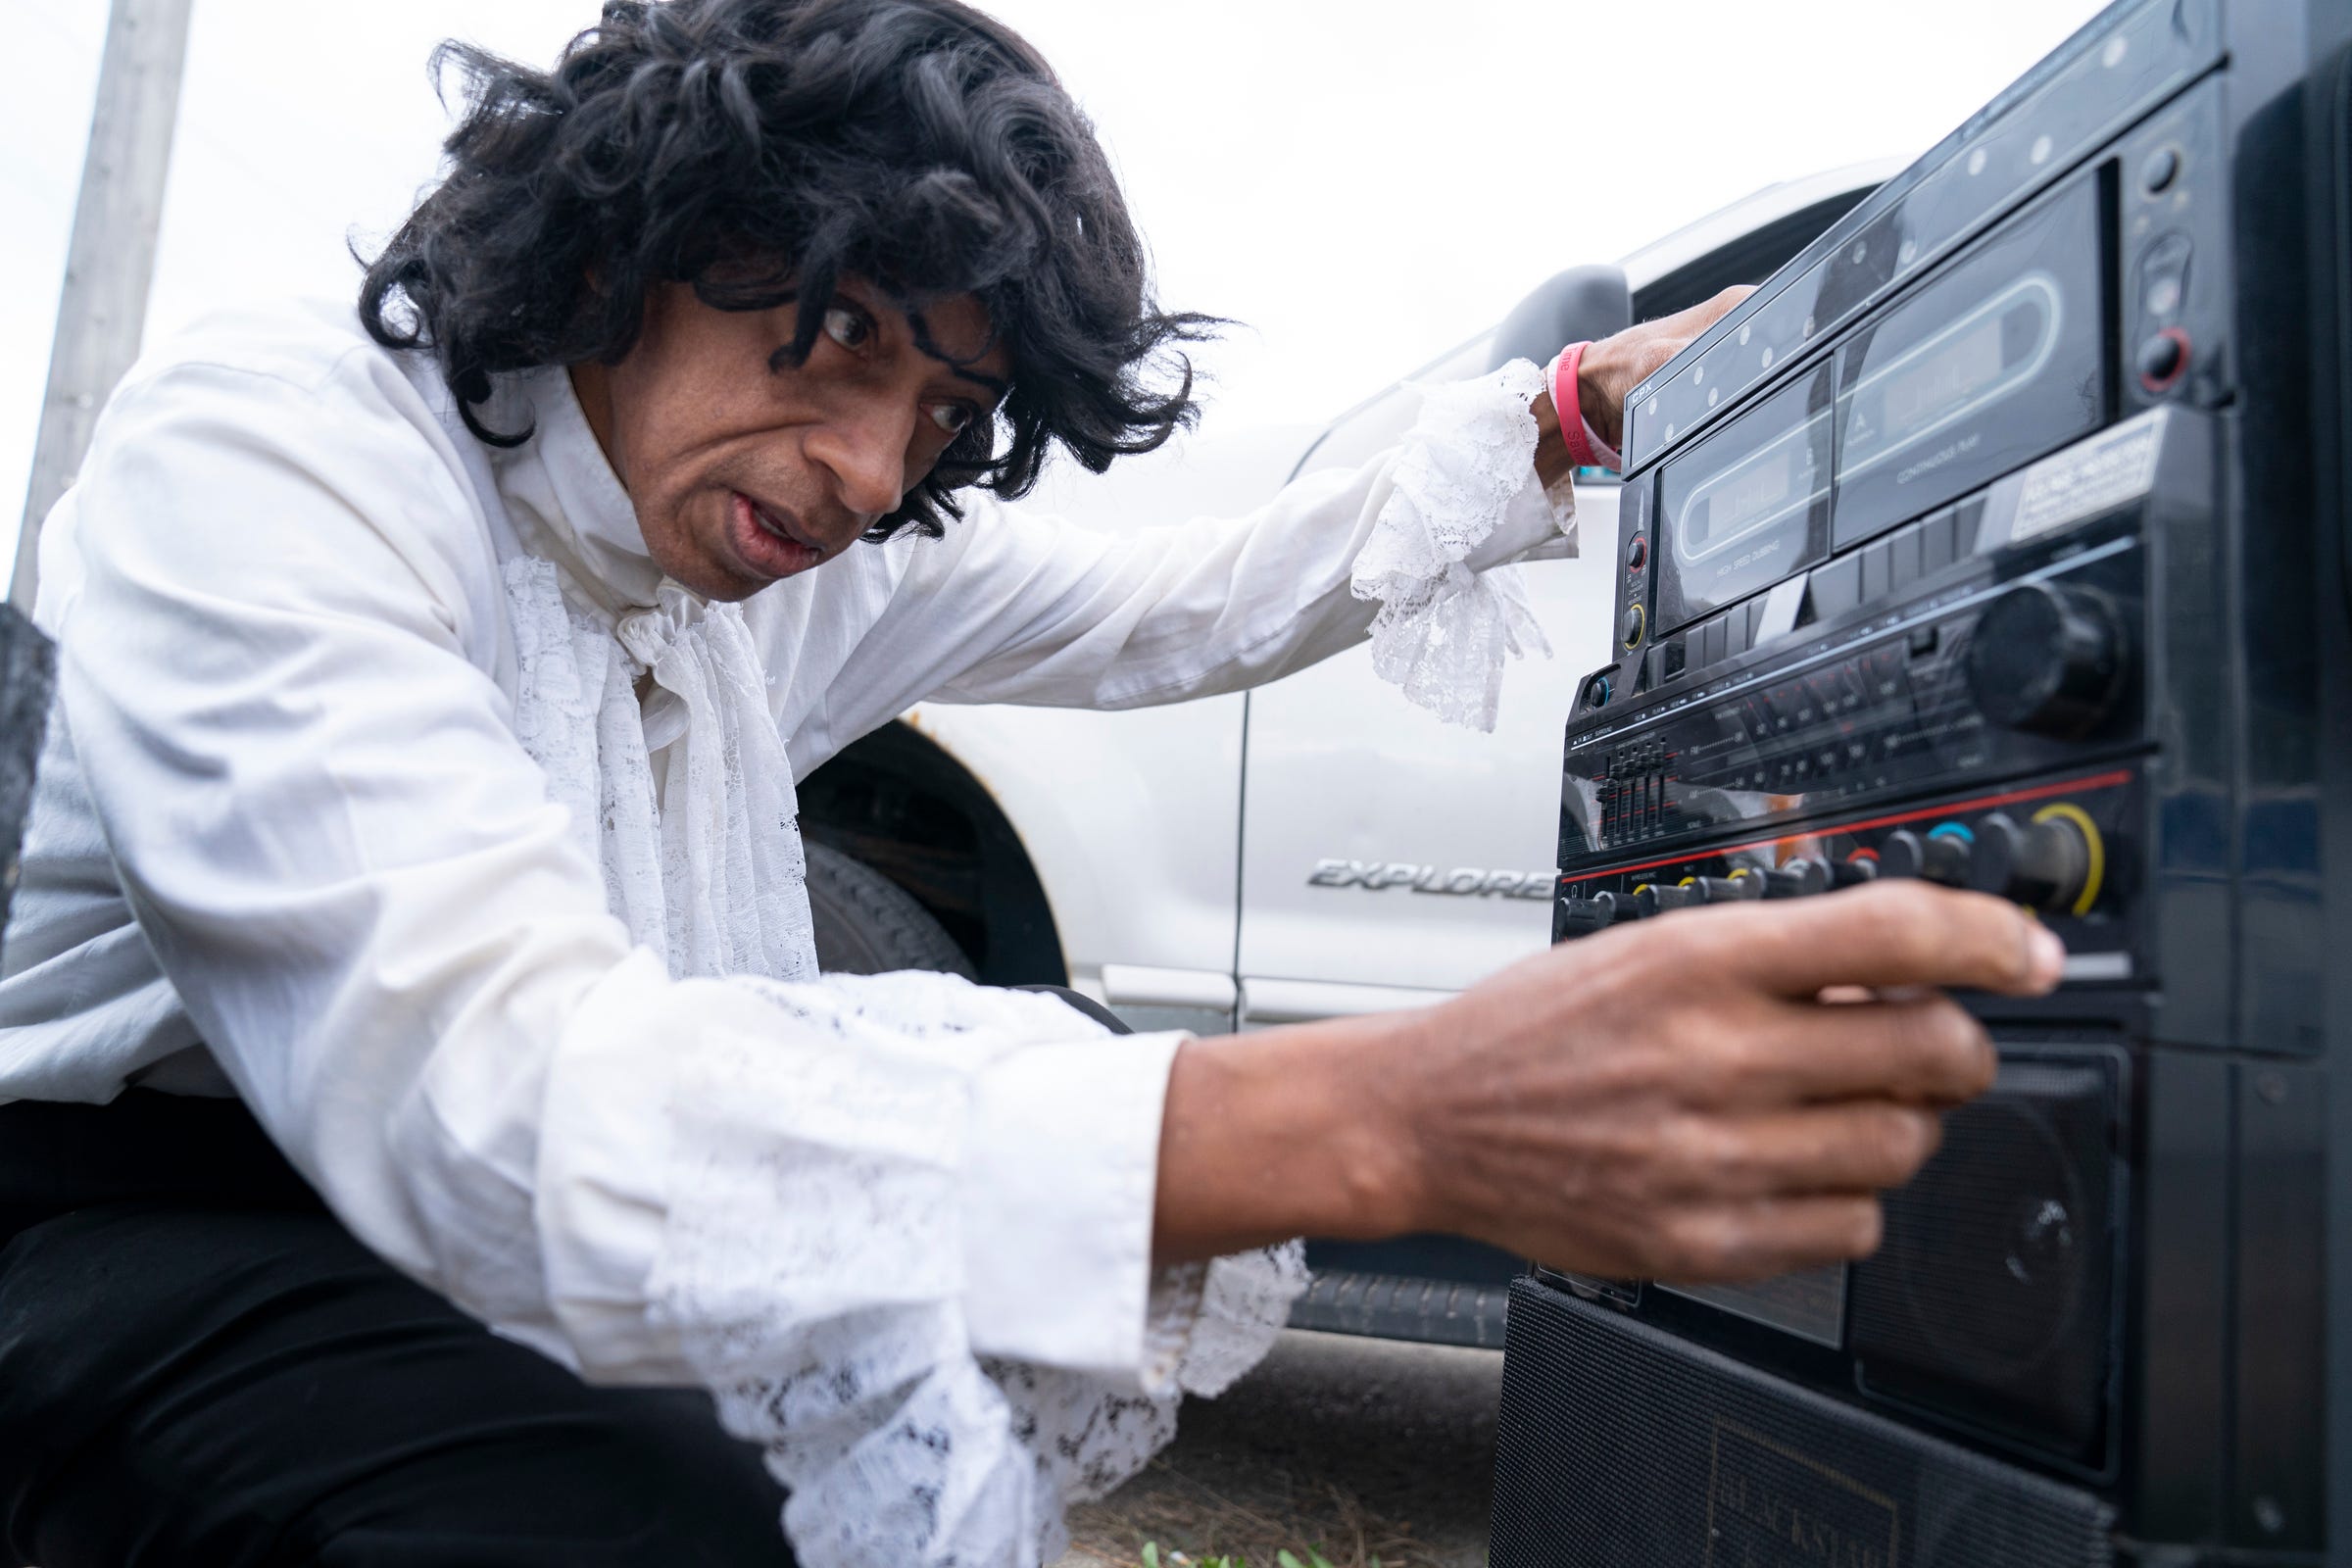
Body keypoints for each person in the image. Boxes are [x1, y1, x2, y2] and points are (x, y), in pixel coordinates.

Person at [0, 3, 2064, 1565]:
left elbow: (1177, 599)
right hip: (142, 1217)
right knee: (643, 1501)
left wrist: (1551, 415)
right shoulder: (278, 458)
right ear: (633, 237)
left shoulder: (753, 555)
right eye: (836, 340)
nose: (875, 471)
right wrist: (1386, 1115)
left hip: (463, 1215)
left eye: (942, 406)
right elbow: (499, 1097)